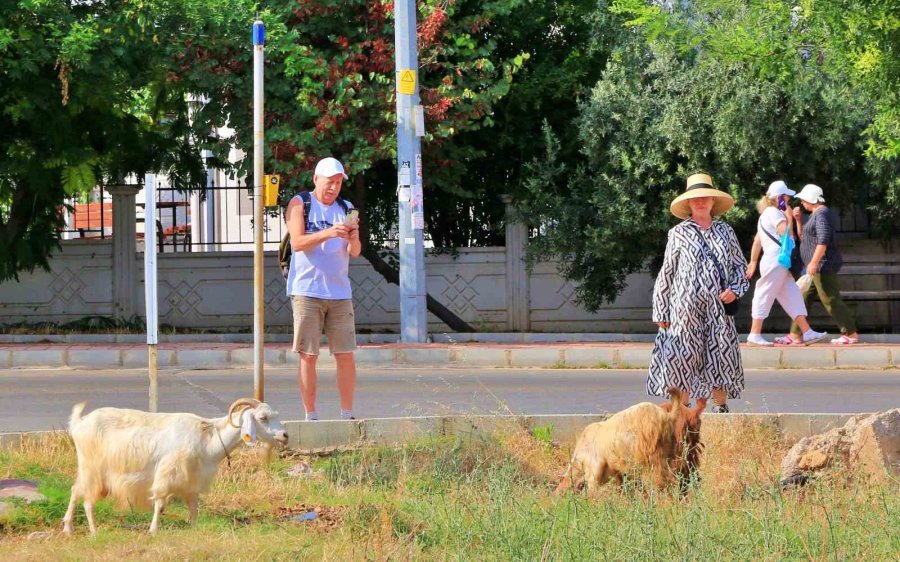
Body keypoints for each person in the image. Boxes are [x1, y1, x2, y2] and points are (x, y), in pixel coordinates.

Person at [648, 173, 749, 414]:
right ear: (689, 204)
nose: (701, 202)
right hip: (684, 308)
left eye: (705, 197)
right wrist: (660, 309)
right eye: (695, 199)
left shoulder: (726, 232)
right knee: (682, 357)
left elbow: (740, 268)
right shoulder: (678, 233)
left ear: (713, 201)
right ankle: (681, 414)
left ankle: (720, 408)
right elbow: (667, 273)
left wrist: (734, 291)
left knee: (720, 356)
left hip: (717, 309)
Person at [285, 157, 362, 420]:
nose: (334, 188)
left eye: (339, 183)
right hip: (307, 290)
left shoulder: (347, 207)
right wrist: (329, 232)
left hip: (340, 292)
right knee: (308, 354)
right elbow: (297, 243)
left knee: (345, 354)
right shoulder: (300, 203)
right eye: (330, 182)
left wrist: (352, 237)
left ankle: (347, 413)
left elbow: (355, 252)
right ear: (316, 179)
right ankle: (311, 415)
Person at [744, 181, 827, 346]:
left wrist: (753, 261)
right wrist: (788, 217)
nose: (789, 198)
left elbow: (757, 241)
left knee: (792, 294)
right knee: (764, 293)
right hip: (776, 260)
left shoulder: (765, 215)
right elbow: (785, 234)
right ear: (779, 198)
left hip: (777, 260)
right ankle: (754, 333)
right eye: (786, 196)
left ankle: (807, 332)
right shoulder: (774, 213)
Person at [789, 184, 859, 345]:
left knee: (830, 299)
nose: (802, 203)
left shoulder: (822, 214)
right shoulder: (815, 215)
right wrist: (798, 221)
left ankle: (850, 333)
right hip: (814, 268)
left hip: (822, 265)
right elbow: (804, 237)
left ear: (811, 199)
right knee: (803, 299)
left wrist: (813, 263)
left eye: (803, 199)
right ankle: (795, 334)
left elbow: (823, 240)